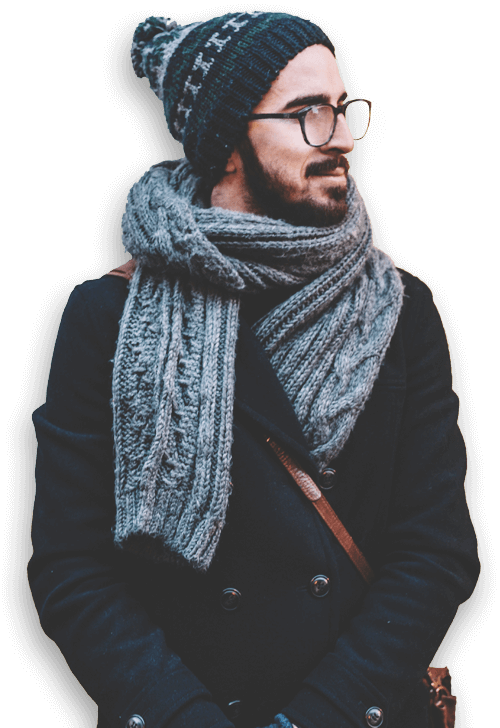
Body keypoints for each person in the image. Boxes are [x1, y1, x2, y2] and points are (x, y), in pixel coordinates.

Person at [28, 11, 480, 728]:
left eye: (343, 108)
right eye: (308, 113)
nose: (342, 136)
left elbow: (436, 549)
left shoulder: (400, 308)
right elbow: (71, 565)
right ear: (227, 142)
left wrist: (315, 718)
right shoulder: (106, 316)